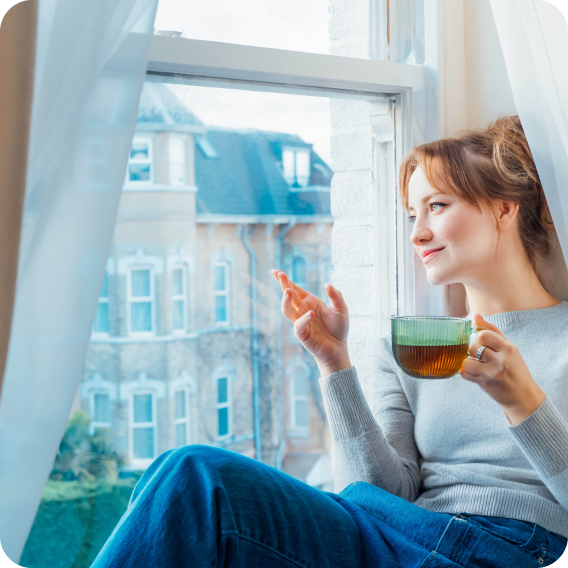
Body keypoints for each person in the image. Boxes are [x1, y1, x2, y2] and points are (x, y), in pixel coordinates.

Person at [90, 116, 568, 568]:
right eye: (410, 215)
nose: (417, 233)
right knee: (183, 479)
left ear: (505, 208)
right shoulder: (407, 349)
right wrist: (334, 361)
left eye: (437, 206)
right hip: (405, 536)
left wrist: (522, 400)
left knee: (192, 478)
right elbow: (382, 496)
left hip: (512, 546)